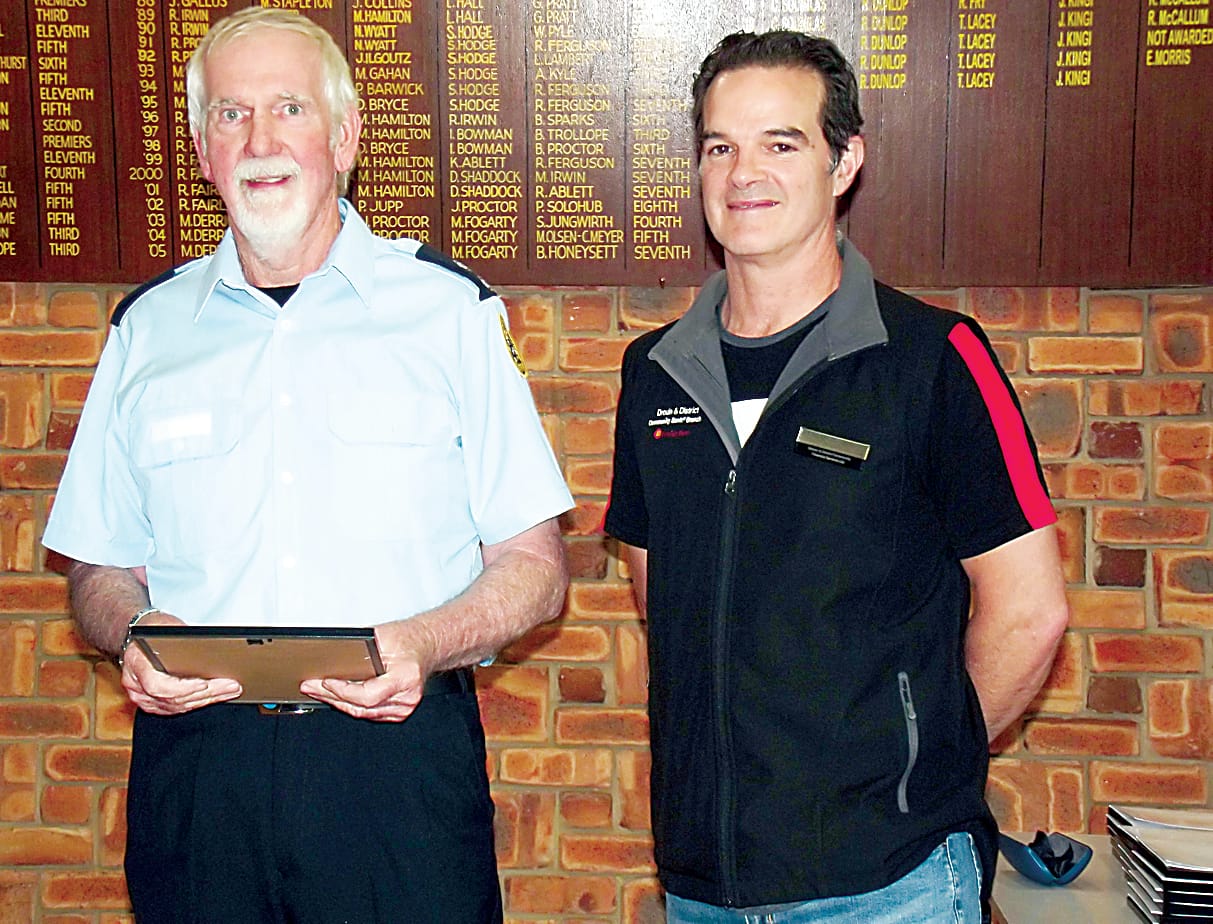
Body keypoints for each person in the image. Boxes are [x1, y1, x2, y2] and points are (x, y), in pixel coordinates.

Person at [42, 8, 572, 923]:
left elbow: (534, 568)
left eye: (289, 108)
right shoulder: (147, 330)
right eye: (231, 114)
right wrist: (133, 632)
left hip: (395, 771)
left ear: (346, 137)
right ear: (202, 151)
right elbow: (97, 567)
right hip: (198, 772)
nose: (260, 140)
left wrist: (423, 641)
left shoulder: (449, 313)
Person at [605, 31, 1069, 924]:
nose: (744, 173)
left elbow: (1029, 611)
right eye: (719, 147)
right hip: (703, 886)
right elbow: (662, 593)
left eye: (780, 143)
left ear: (843, 161)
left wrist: (907, 768)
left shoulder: (933, 359)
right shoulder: (654, 374)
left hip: (889, 885)